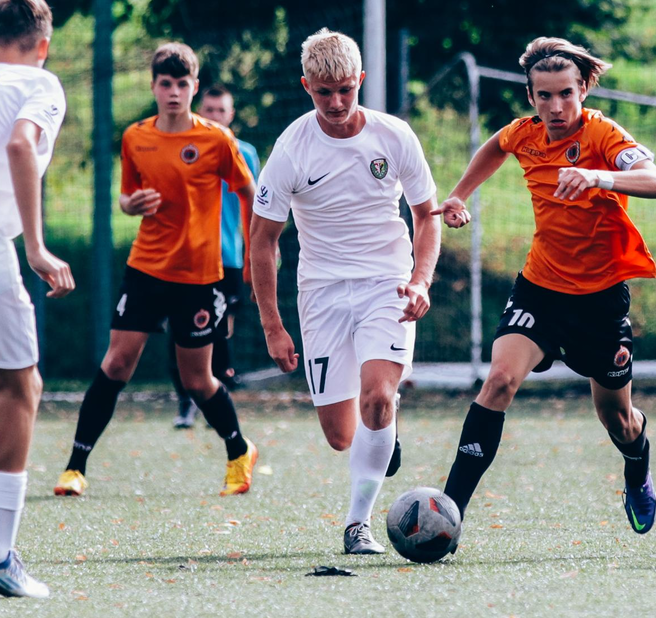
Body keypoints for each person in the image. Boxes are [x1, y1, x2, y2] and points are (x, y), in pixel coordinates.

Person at [431, 37, 656, 543]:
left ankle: (637, 467)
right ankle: (449, 514)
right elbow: (496, 147)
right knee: (499, 381)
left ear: (583, 90)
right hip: (539, 291)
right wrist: (458, 194)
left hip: (601, 302)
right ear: (531, 97)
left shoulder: (603, 134)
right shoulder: (526, 134)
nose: (556, 106)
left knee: (618, 421)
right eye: (544, 95)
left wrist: (597, 177)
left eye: (565, 93)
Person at [250, 28, 440, 554]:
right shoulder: (291, 148)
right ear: (305, 86)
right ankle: (382, 434)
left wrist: (421, 280)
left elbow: (427, 215)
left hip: (387, 284)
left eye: (345, 90)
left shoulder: (394, 136)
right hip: (322, 293)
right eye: (323, 92)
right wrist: (272, 325)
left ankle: (358, 524)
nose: (335, 103)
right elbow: (262, 240)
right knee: (341, 435)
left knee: (377, 399)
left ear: (361, 80)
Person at [54, 43, 258, 498]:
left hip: (199, 278)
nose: (174, 92)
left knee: (197, 380)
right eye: (166, 84)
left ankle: (239, 451)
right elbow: (127, 197)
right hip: (145, 269)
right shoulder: (136, 138)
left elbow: (248, 193)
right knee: (116, 362)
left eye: (182, 84)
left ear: (194, 87)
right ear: (153, 87)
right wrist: (131, 205)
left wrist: (251, 258)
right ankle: (74, 467)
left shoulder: (216, 140)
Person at [0, 0, 74, 598]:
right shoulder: (40, 83)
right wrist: (36, 248)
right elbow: (20, 143)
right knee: (20, 387)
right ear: (43, 46)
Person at [171, 85, 261, 429]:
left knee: (221, 327)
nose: (215, 116)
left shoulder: (245, 153)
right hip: (186, 255)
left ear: (231, 115)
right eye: (209, 110)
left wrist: (259, 251)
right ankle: (186, 401)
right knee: (182, 325)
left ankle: (216, 396)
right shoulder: (185, 149)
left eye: (221, 111)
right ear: (199, 111)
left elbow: (257, 207)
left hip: (229, 256)